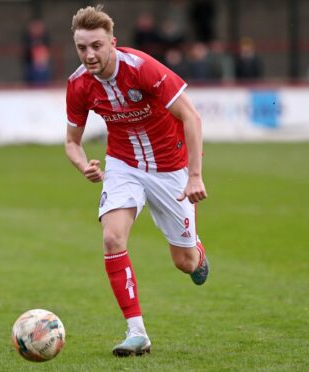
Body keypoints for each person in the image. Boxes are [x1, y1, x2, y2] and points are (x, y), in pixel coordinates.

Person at [65, 5, 209, 357]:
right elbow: (71, 141)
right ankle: (136, 332)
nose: (89, 54)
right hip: (123, 165)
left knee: (186, 263)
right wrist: (84, 164)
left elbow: (190, 116)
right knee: (112, 237)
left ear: (112, 42)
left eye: (96, 46)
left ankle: (198, 250)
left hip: (171, 170)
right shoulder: (78, 85)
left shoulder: (142, 68)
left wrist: (194, 175)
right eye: (82, 47)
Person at [21, 19, 52, 86]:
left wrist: (42, 60)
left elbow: (46, 52)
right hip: (31, 66)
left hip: (42, 66)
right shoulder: (27, 39)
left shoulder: (45, 39)